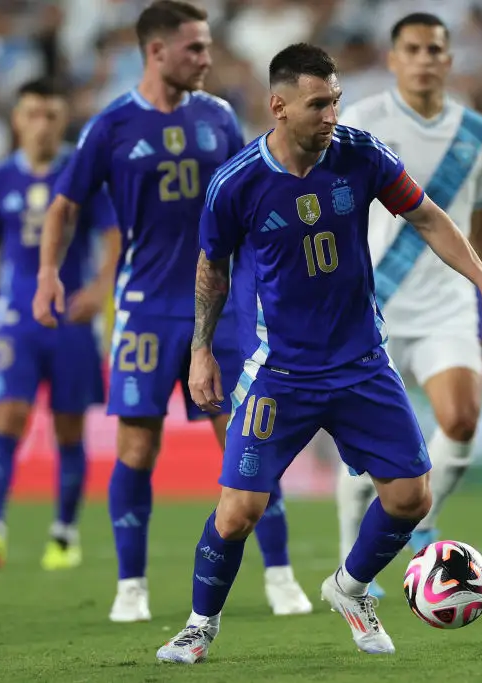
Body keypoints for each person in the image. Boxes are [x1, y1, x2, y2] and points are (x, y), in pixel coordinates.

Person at [155, 42, 482, 664]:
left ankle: (350, 588)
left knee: (411, 499)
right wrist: (202, 351)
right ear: (278, 106)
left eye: (335, 100)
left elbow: (430, 219)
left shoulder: (360, 155)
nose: (331, 114)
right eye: (318, 104)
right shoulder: (238, 183)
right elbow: (211, 270)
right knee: (238, 511)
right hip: (281, 371)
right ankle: (200, 625)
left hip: (362, 363)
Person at [34, 1, 310, 622]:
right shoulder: (110, 126)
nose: (208, 59)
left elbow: (254, 193)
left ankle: (281, 576)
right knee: (136, 449)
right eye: (195, 49)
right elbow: (63, 205)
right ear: (156, 52)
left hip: (223, 311)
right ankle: (131, 586)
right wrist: (50, 272)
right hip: (145, 312)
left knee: (248, 445)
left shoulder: (219, 116)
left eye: (209, 47)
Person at [334, 12, 482, 599]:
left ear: (449, 59)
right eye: (414, 48)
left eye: (436, 48)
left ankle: (420, 517)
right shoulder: (361, 121)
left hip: (446, 307)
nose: (426, 58)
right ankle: (349, 557)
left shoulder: (478, 135)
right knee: (366, 452)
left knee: (460, 420)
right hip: (371, 302)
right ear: (393, 58)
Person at [0, 77, 115, 571]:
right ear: (16, 120)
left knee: (68, 429)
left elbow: (115, 237)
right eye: (31, 114)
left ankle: (64, 533)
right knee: (7, 419)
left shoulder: (81, 170)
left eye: (51, 115)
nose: (41, 125)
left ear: (63, 120)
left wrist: (98, 291)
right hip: (16, 319)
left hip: (70, 321)